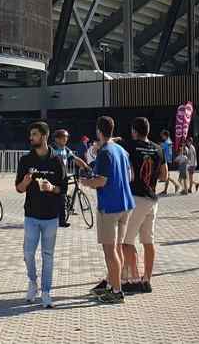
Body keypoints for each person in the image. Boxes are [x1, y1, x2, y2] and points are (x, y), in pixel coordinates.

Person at [80, 115, 134, 304]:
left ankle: (117, 291)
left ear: (98, 131)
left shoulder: (104, 152)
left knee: (109, 251)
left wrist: (86, 182)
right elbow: (130, 176)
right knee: (117, 248)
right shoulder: (120, 149)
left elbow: (101, 181)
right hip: (126, 204)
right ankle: (113, 284)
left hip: (109, 207)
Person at [17, 122, 64, 308]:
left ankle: (46, 292)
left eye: (34, 134)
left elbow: (63, 189)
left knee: (48, 255)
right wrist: (26, 182)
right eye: (31, 134)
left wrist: (52, 188)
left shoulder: (57, 160)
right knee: (28, 253)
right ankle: (32, 282)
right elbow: (19, 189)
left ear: (44, 136)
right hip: (31, 216)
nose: (31, 138)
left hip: (51, 217)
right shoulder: (25, 160)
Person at [120, 117, 164, 295]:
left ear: (134, 131)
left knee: (126, 241)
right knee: (148, 241)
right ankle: (147, 279)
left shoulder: (129, 146)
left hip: (135, 197)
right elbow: (164, 176)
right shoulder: (158, 149)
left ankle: (134, 279)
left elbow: (127, 171)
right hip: (152, 199)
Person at [158, 130, 181, 195]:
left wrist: (160, 145)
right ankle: (166, 190)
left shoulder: (167, 143)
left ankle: (176, 185)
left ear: (165, 135)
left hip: (167, 161)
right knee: (167, 175)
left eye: (162, 136)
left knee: (166, 175)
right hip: (168, 160)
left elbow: (161, 147)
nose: (162, 137)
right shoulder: (168, 141)